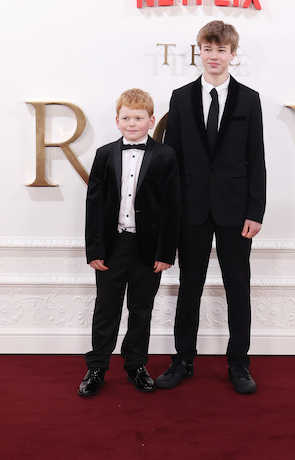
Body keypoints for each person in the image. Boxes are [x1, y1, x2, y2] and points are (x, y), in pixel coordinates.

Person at [157, 20, 266, 394]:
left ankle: (239, 364)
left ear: (233, 54)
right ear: (199, 52)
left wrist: (256, 211)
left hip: (237, 211)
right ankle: (183, 359)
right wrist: (171, 212)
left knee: (239, 287)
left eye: (222, 50)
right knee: (190, 286)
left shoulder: (249, 99)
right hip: (192, 209)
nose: (214, 56)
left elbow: (257, 158)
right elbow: (172, 160)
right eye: (208, 48)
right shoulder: (180, 97)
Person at [79, 88, 180, 397]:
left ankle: (136, 365)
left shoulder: (166, 155)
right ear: (117, 120)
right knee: (106, 309)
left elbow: (172, 207)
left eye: (138, 118)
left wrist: (165, 252)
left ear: (151, 121)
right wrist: (94, 249)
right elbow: (94, 204)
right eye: (126, 117)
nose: (132, 123)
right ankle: (96, 367)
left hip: (148, 250)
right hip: (111, 247)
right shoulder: (104, 154)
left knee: (141, 309)